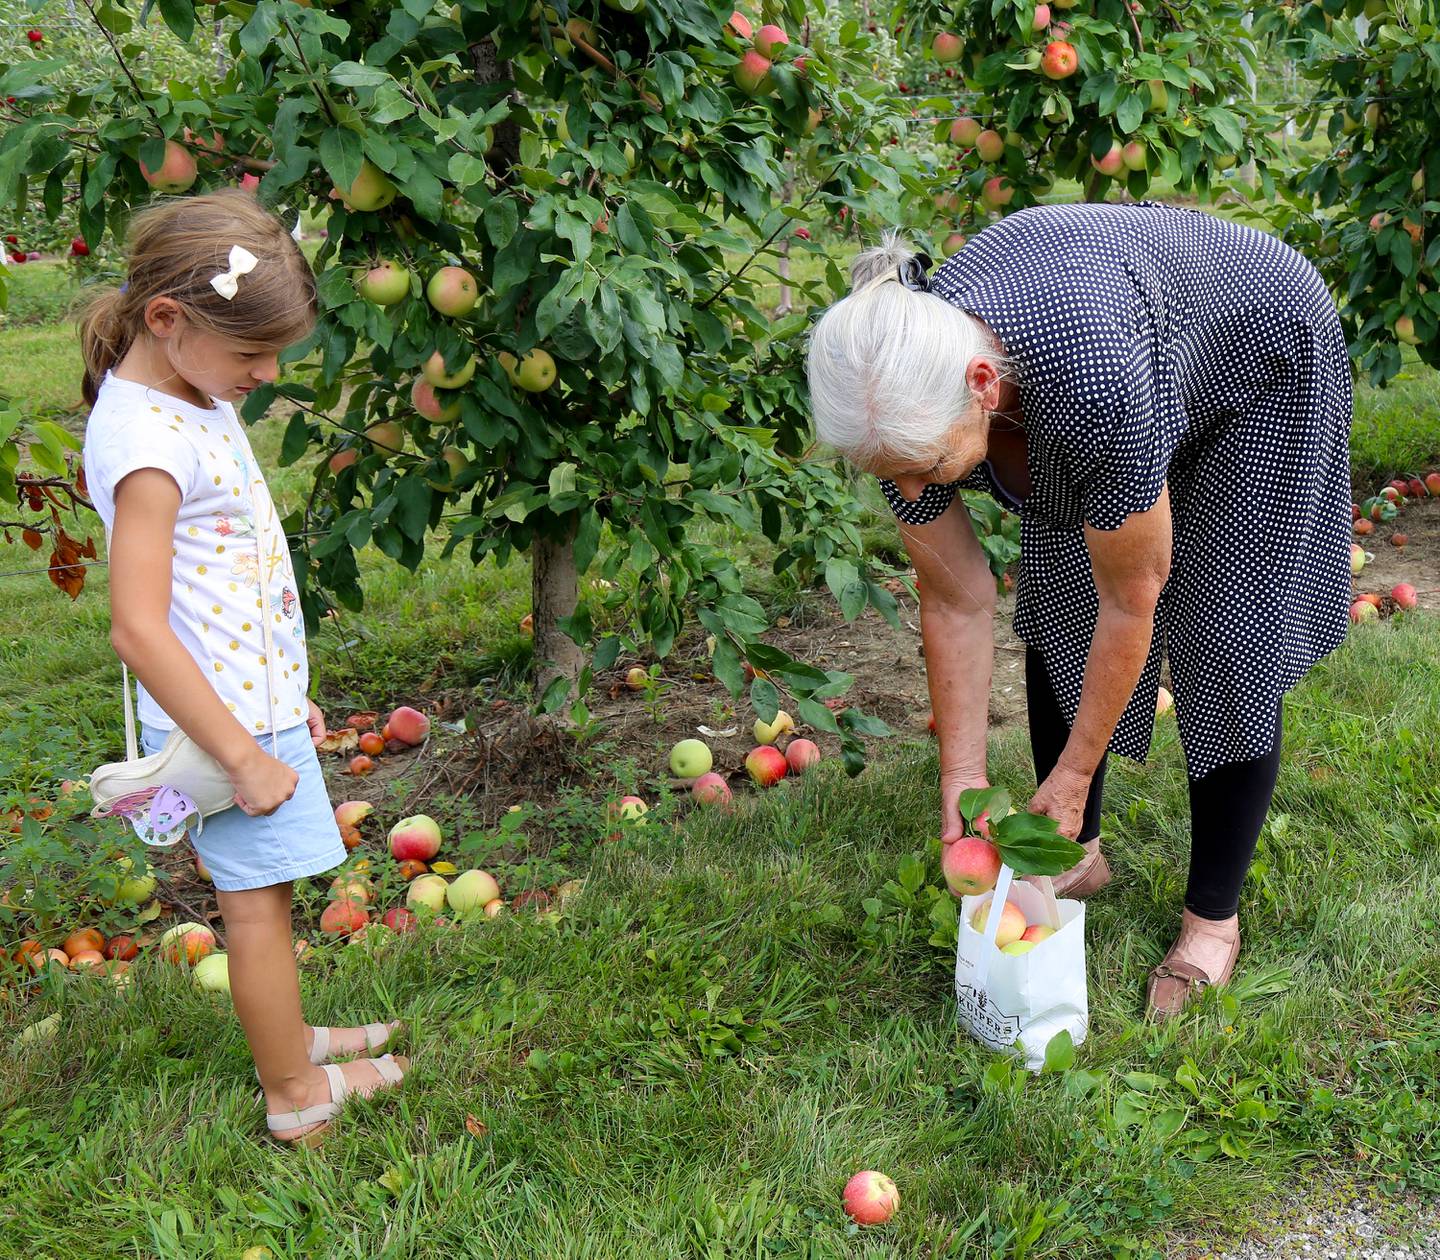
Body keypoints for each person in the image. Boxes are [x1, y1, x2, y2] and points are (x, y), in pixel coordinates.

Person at [807, 204, 1352, 1018]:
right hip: (1110, 358)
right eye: (891, 472)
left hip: (1259, 358)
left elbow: (1133, 599)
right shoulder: (897, 387)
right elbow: (955, 598)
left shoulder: (1089, 380)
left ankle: (1212, 918)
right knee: (1059, 607)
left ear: (984, 388)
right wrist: (961, 777)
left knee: (1224, 634)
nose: (913, 493)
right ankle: (1079, 854)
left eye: (922, 468)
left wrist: (1067, 778)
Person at [79, 190, 409, 1142]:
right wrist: (242, 752)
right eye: (252, 355)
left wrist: (287, 699)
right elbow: (139, 629)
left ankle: (291, 1039)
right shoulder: (147, 442)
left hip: (251, 706)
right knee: (256, 909)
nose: (265, 375)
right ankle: (295, 1094)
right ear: (168, 320)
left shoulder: (187, 390)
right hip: (218, 725)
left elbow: (224, 580)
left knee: (268, 897)